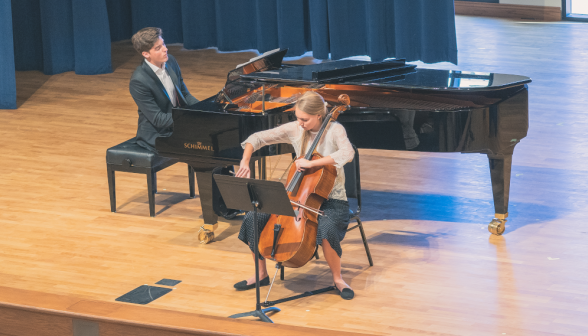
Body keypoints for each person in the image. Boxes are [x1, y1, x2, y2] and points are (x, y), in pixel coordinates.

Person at [233, 91, 356, 300]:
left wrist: (312, 163)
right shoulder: (296, 129)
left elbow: (348, 153)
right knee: (252, 217)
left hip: (332, 201)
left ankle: (338, 279)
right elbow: (257, 138)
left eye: (304, 119)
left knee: (325, 228)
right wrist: (245, 161)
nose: (299, 123)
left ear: (319, 115)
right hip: (298, 198)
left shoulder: (336, 130)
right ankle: (261, 273)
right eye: (297, 118)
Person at [129, 27, 199, 152]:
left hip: (177, 123)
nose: (165, 49)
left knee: (219, 135)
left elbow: (184, 94)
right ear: (146, 54)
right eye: (158, 48)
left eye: (163, 44)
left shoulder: (170, 61)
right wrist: (189, 118)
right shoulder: (139, 81)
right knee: (204, 144)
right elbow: (158, 119)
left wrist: (203, 109)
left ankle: (224, 172)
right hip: (158, 134)